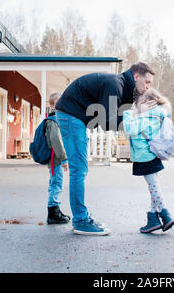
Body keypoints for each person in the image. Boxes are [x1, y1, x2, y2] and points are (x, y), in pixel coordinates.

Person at [55, 63, 157, 236]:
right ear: (136, 76)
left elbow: (121, 117)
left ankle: (82, 217)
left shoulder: (124, 89)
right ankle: (80, 221)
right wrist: (136, 113)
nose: (148, 87)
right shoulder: (115, 84)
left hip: (75, 116)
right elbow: (106, 121)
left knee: (80, 169)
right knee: (79, 170)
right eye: (147, 82)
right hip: (71, 115)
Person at [123, 88, 174, 234]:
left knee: (153, 187)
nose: (135, 103)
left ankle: (165, 214)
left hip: (145, 156)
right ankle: (153, 219)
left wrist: (130, 114)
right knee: (153, 186)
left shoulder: (144, 117)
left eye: (138, 101)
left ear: (145, 102)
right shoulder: (156, 115)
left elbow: (129, 129)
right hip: (152, 154)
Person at [45, 93, 71, 225]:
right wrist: (64, 159)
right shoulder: (53, 121)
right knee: (56, 185)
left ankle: (56, 210)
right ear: (52, 105)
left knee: (56, 184)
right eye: (57, 102)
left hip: (55, 159)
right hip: (56, 160)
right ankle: (53, 213)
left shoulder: (55, 119)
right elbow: (56, 141)